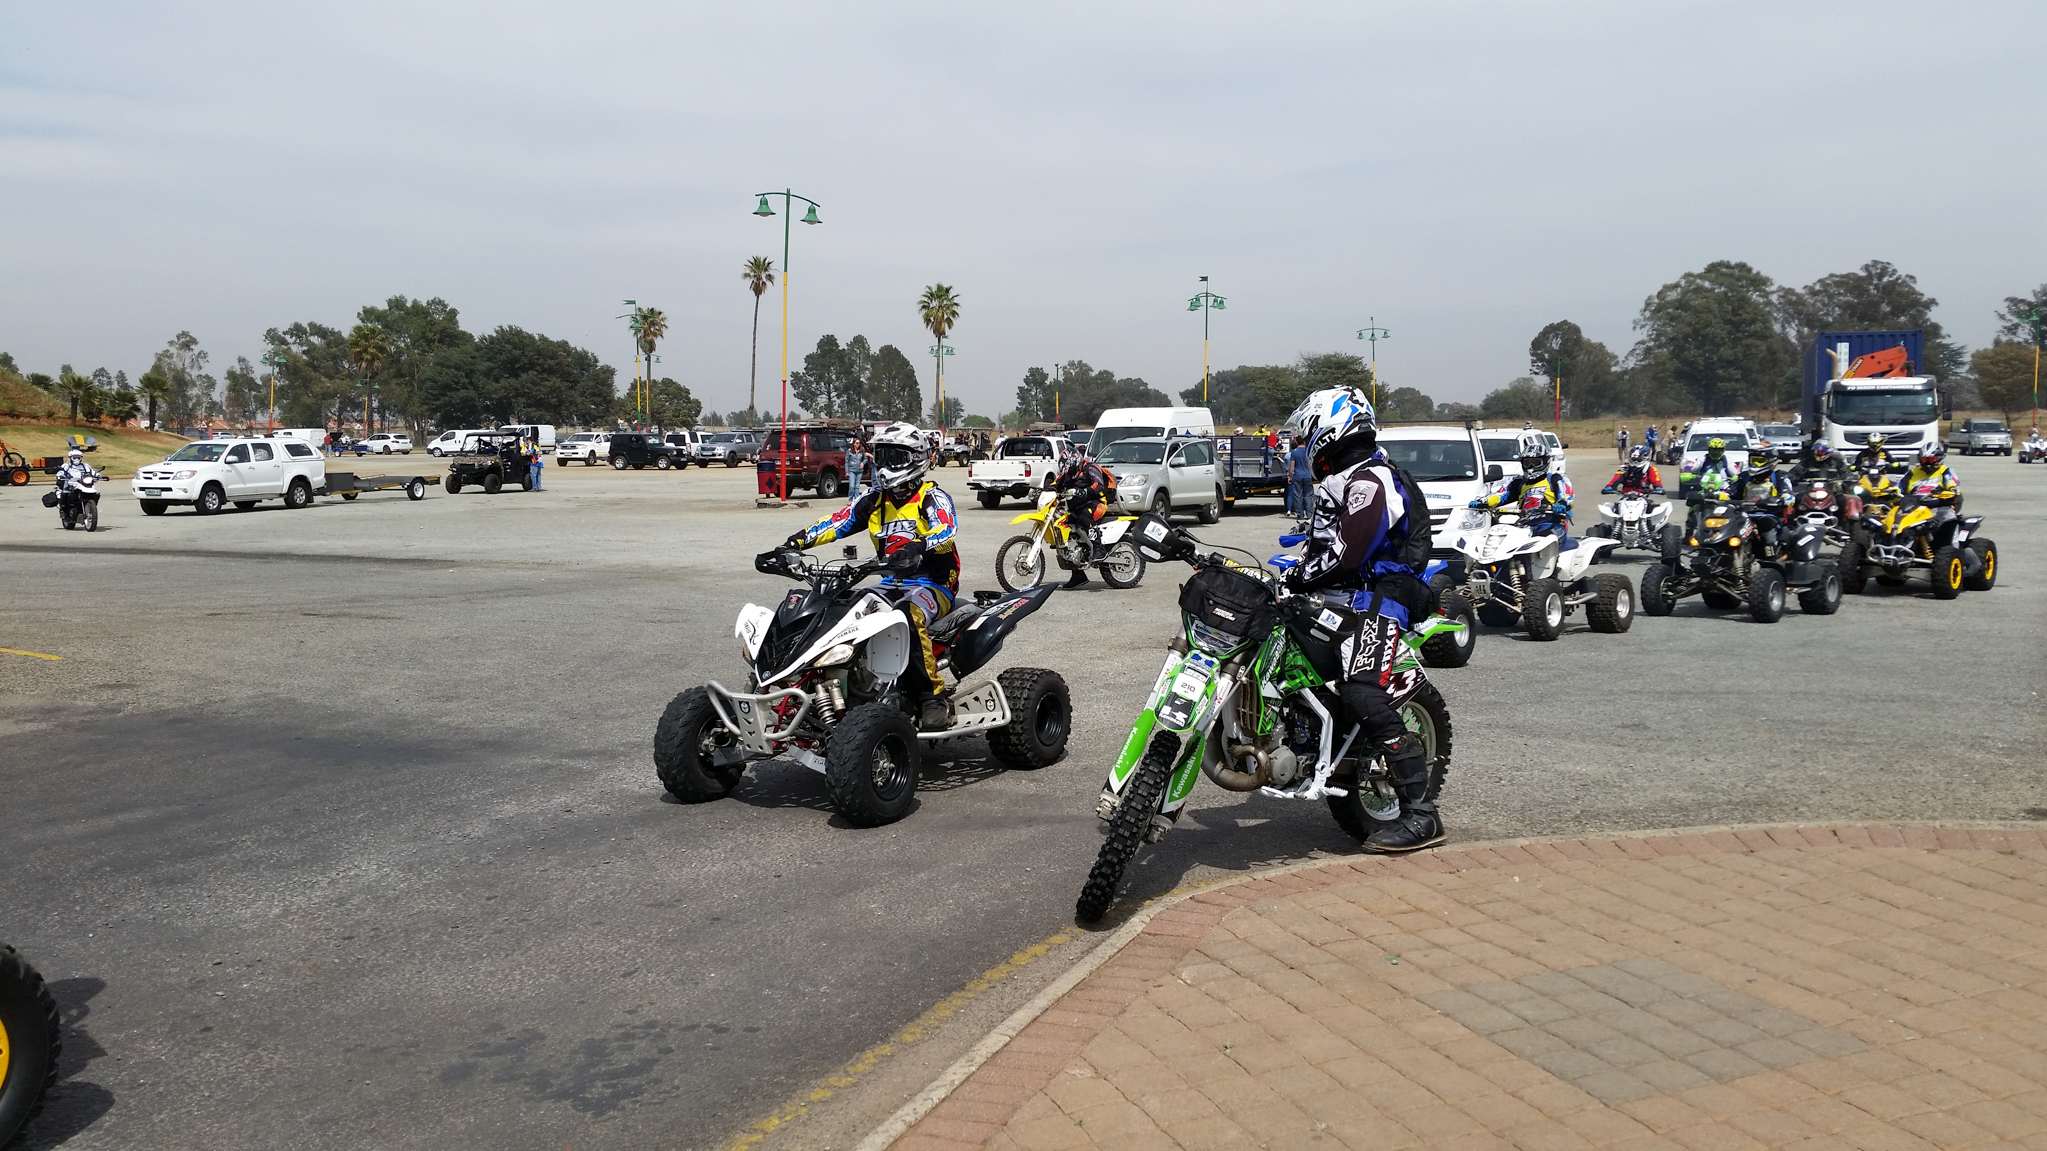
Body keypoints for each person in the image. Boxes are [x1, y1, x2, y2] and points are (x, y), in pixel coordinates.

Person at [1282, 386, 1442, 853]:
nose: (1303, 443)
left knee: (1362, 692)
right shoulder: (1348, 477)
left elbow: (1349, 554)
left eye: (1307, 432)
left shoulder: (1373, 479)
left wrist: (1299, 577)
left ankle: (1422, 815)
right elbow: (1323, 547)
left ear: (1329, 427)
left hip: (1380, 600)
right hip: (1342, 597)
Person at [784, 422, 961, 730]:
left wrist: (919, 546)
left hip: (933, 584)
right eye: (882, 456)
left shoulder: (931, 496)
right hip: (890, 582)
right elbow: (837, 521)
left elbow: (947, 530)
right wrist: (794, 542)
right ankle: (838, 686)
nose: (886, 464)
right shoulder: (875, 498)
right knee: (840, 607)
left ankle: (932, 697)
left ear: (915, 459)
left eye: (895, 457)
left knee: (907, 614)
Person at [1472, 431, 1575, 546]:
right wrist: (1483, 502)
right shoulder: (1519, 482)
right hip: (1524, 524)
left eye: (1535, 463)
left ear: (1545, 462)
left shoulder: (1555, 479)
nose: (1531, 467)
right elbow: (1502, 495)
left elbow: (1566, 496)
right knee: (1499, 539)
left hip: (1550, 522)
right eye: (1527, 463)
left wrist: (1561, 504)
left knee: (1546, 540)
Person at [1048, 447, 1117, 588]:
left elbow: (1098, 485)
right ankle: (1078, 575)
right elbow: (1056, 484)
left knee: (1084, 517)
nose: (1068, 471)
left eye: (1069, 467)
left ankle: (1099, 549)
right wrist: (1045, 490)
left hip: (1096, 503)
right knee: (1067, 534)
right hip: (1076, 507)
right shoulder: (1068, 473)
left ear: (1075, 461)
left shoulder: (1090, 468)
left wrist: (1084, 491)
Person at [1731, 446, 1793, 555]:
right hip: (1744, 515)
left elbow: (1788, 494)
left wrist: (1784, 498)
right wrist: (1722, 495)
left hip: (1768, 515)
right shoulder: (1743, 477)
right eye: (1753, 460)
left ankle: (1772, 558)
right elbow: (1732, 491)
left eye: (1759, 461)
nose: (1755, 464)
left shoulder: (1780, 476)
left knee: (1768, 537)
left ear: (1771, 462)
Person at [1899, 443, 1962, 518]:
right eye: (1924, 460)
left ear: (1939, 459)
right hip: (1912, 505)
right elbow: (1900, 487)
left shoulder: (1946, 471)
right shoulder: (1913, 472)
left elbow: (1953, 487)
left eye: (1931, 460)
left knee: (1957, 497)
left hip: (1935, 504)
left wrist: (1948, 491)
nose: (1927, 463)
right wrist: (1893, 491)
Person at [1286, 436, 1311, 522]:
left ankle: (1300, 514)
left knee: (1298, 495)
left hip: (1297, 476)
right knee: (1308, 495)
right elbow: (1309, 464)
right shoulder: (1308, 451)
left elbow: (1292, 466)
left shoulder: (1294, 452)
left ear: (1297, 442)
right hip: (1307, 475)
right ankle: (1309, 514)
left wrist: (1290, 476)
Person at [844, 438, 869, 503]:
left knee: (857, 486)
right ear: (854, 444)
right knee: (852, 486)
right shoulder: (849, 451)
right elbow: (846, 462)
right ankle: (850, 500)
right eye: (857, 443)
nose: (858, 444)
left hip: (859, 471)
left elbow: (865, 459)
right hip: (851, 471)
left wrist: (863, 463)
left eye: (859, 443)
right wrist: (846, 472)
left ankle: (856, 500)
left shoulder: (862, 450)